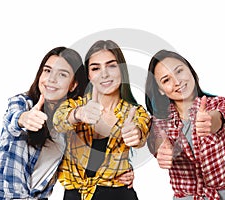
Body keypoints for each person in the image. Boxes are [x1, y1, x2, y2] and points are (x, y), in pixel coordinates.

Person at [0, 46, 88, 199]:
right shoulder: (22, 103)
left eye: (62, 74)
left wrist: (121, 172)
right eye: (47, 70)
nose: (51, 79)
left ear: (73, 85)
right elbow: (12, 118)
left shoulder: (70, 123)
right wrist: (23, 119)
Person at [145, 50, 225, 200]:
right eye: (166, 80)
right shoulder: (159, 121)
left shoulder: (219, 103)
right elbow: (155, 141)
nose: (177, 82)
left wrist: (211, 121)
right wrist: (160, 150)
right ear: (161, 90)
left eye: (179, 71)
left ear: (190, 71)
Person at [53, 40, 151, 200]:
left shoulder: (135, 112)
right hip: (75, 195)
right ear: (89, 75)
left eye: (111, 66)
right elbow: (58, 120)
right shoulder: (75, 105)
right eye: (96, 68)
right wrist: (78, 114)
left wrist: (136, 134)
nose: (104, 74)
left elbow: (142, 128)